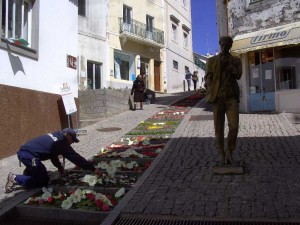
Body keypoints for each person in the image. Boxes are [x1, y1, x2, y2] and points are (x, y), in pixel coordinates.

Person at [5, 128, 102, 193]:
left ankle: (29, 172)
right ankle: (15, 178)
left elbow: (53, 155)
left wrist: (59, 167)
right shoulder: (61, 142)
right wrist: (93, 169)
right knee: (43, 180)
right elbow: (76, 158)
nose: (72, 143)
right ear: (68, 135)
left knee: (37, 168)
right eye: (72, 140)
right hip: (30, 157)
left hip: (27, 154)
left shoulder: (56, 136)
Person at [204, 36, 242, 166]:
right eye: (222, 44)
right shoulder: (212, 61)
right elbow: (208, 76)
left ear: (230, 46)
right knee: (218, 129)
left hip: (231, 97)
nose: (225, 46)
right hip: (218, 97)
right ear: (219, 45)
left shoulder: (236, 61)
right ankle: (221, 155)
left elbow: (239, 75)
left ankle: (229, 153)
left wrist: (232, 68)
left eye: (227, 44)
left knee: (234, 127)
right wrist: (209, 86)